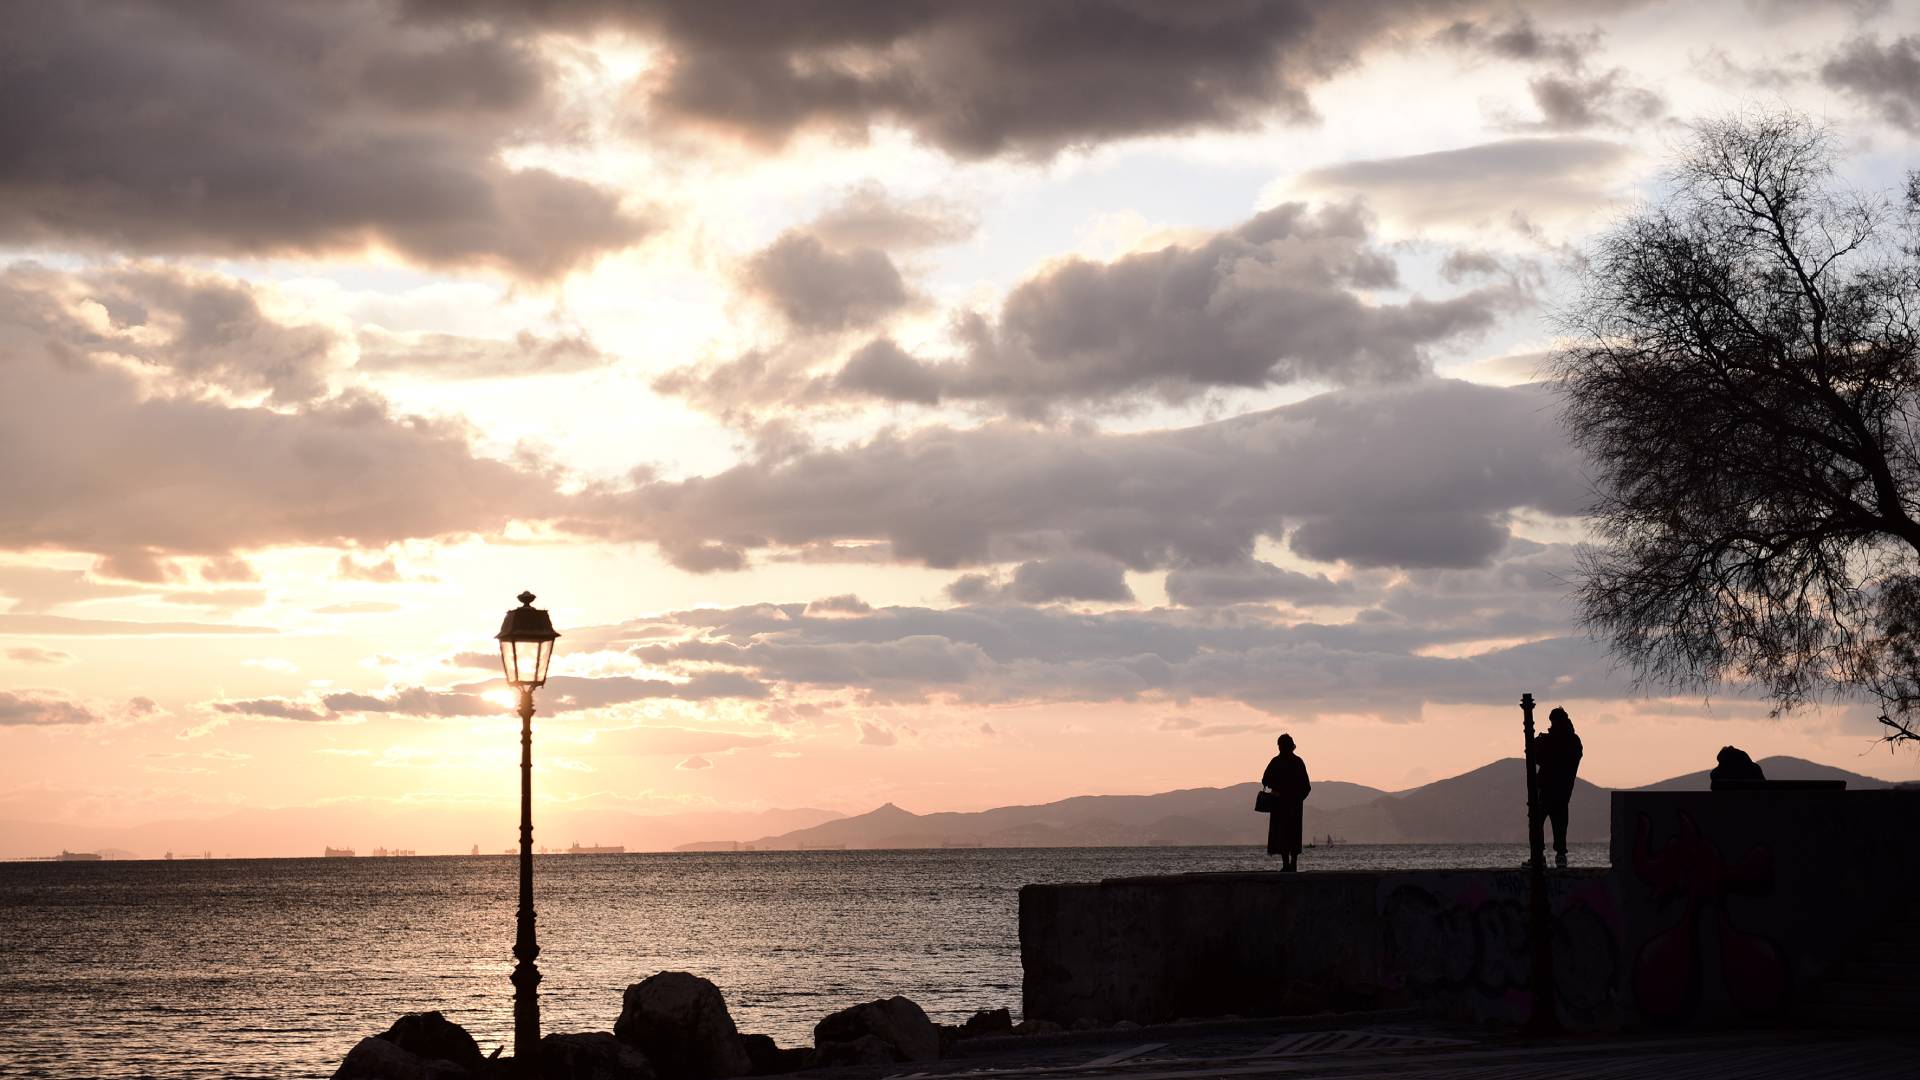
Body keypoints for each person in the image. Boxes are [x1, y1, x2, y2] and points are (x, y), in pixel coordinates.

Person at [1531, 707, 1583, 869]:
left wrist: (1541, 744)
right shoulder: (1573, 741)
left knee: (1538, 822)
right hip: (1562, 790)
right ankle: (1558, 855)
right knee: (1559, 824)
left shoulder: (1560, 741)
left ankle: (1540, 855)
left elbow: (1540, 758)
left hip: (1549, 789)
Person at [1261, 734, 1311, 871]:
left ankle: (1287, 864)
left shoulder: (1276, 762)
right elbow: (1306, 786)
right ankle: (1291, 864)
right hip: (1293, 805)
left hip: (1281, 804)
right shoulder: (1297, 762)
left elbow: (1265, 780)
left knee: (1283, 834)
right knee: (1292, 834)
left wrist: (1277, 788)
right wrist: (1298, 798)